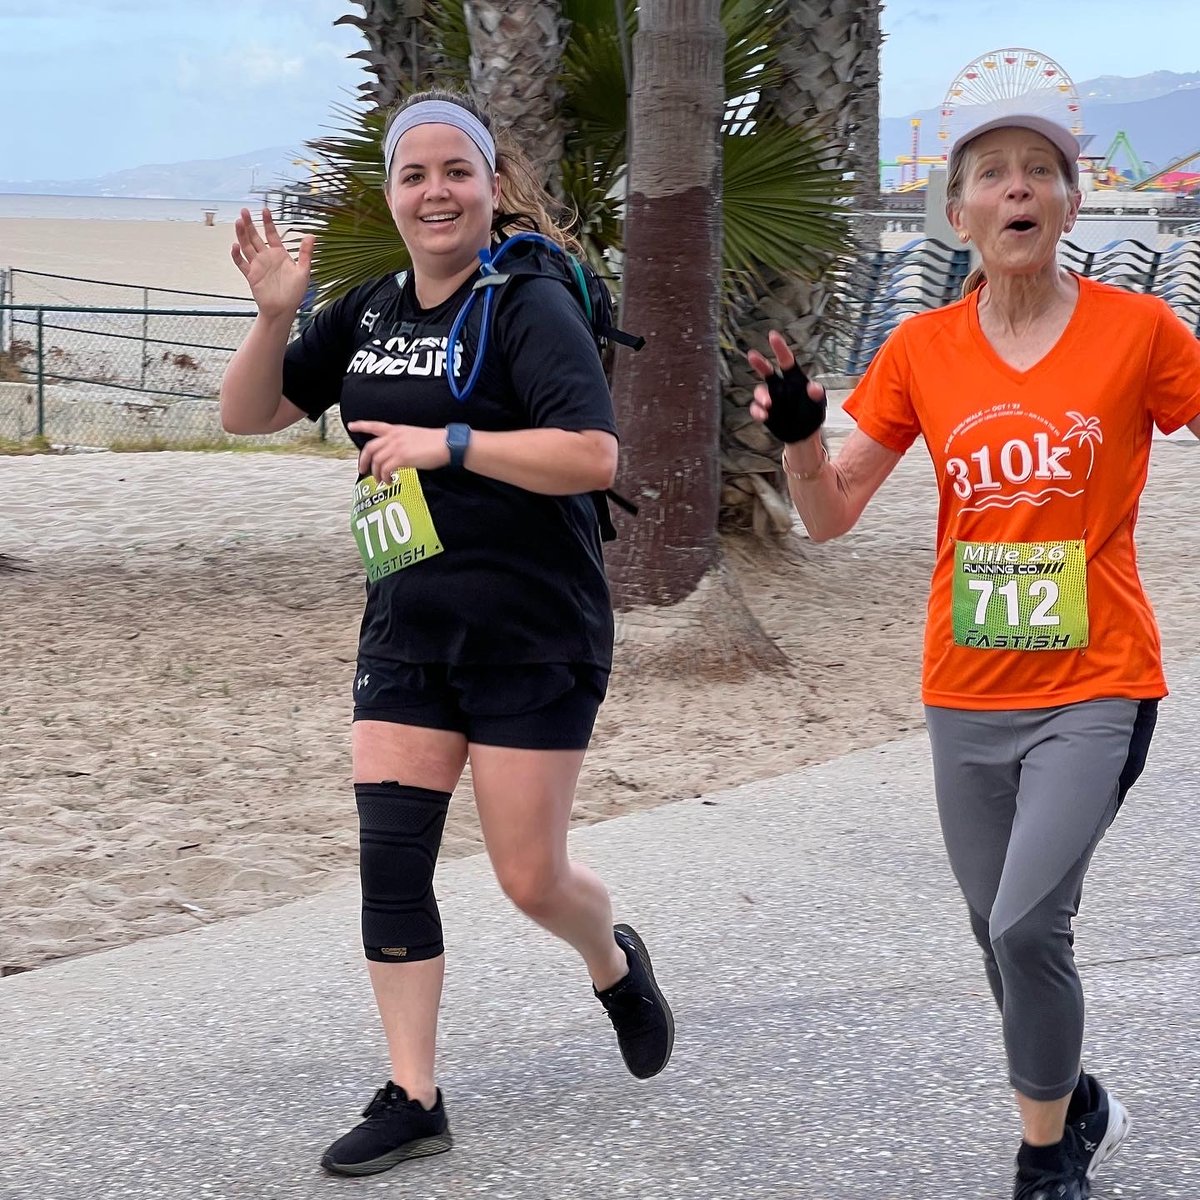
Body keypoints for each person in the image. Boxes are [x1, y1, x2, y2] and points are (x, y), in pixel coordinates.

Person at [748, 101, 1200, 1200]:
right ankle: (1073, 1091)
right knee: (994, 937)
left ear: (1068, 202)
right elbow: (830, 514)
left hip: (1098, 679)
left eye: (1039, 172)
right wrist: (805, 440)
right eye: (993, 175)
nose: (1017, 188)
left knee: (1028, 920)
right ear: (958, 215)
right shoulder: (922, 348)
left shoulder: (1141, 332)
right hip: (966, 683)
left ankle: (1045, 1157)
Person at [219, 89, 674, 1178]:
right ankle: (413, 1093)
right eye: (415, 174)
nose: (436, 191)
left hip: (535, 629)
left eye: (455, 172)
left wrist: (450, 443)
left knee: (530, 878)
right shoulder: (371, 310)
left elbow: (593, 457)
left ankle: (612, 960)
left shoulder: (526, 305)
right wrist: (278, 314)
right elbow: (249, 414)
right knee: (391, 862)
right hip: (409, 626)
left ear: (490, 186)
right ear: (392, 194)